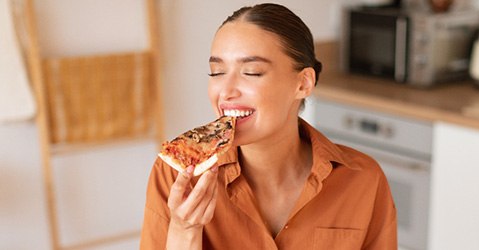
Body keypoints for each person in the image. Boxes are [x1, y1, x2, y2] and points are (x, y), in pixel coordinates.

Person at [140, 3, 397, 249]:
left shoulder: (363, 179)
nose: (226, 91)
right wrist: (183, 232)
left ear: (303, 83)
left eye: (251, 72)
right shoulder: (177, 175)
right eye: (217, 72)